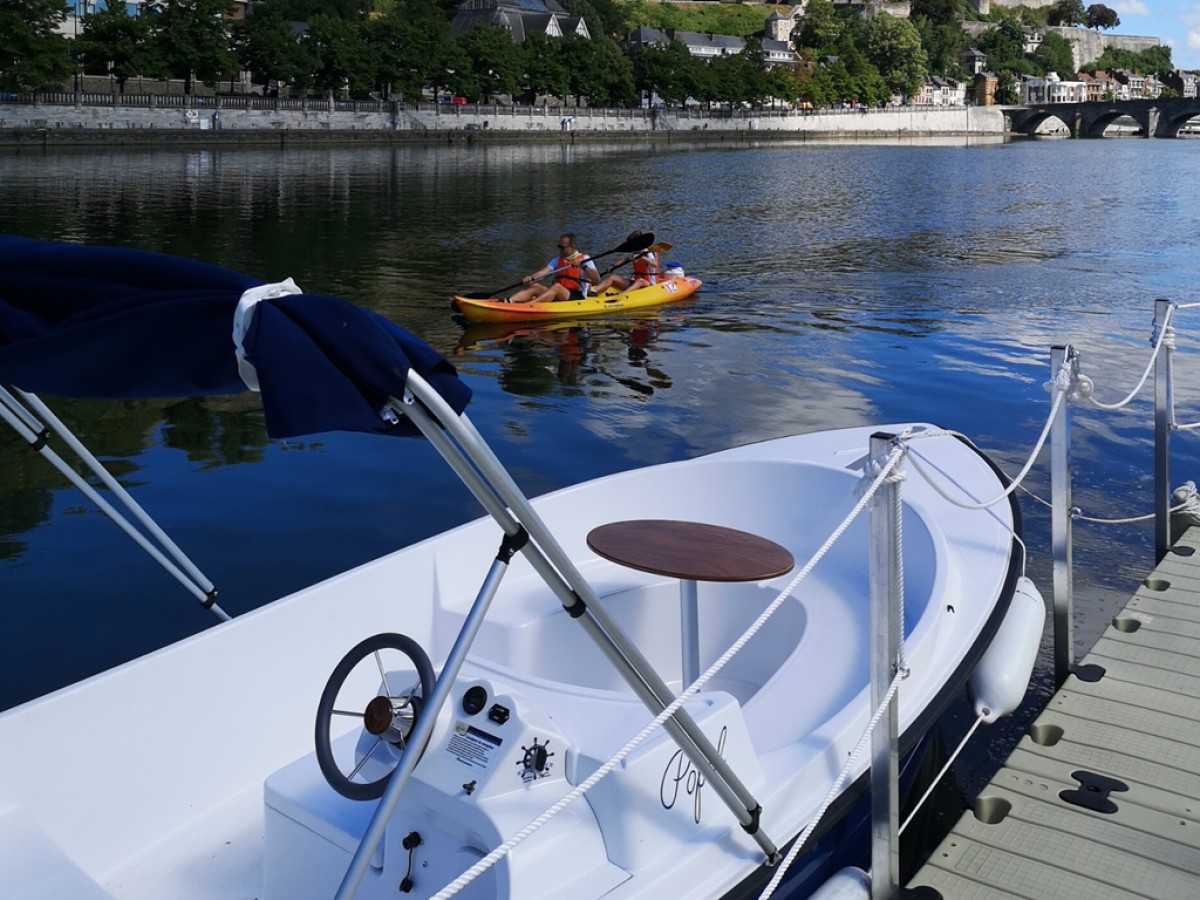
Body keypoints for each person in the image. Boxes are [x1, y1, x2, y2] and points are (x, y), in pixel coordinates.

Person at [507, 233, 600, 303]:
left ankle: (529, 306)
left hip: (577, 296)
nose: (559, 249)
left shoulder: (585, 259)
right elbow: (543, 273)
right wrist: (531, 278)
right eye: (558, 246)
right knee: (535, 286)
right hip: (560, 293)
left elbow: (597, 279)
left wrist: (583, 266)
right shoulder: (557, 260)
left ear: (572, 248)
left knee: (556, 287)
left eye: (562, 247)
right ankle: (509, 301)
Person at [595, 230, 659, 295]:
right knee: (612, 277)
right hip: (636, 282)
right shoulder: (633, 253)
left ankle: (622, 296)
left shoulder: (648, 253)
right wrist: (613, 266)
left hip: (649, 284)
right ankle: (593, 292)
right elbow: (622, 260)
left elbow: (654, 264)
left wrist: (642, 257)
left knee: (640, 281)